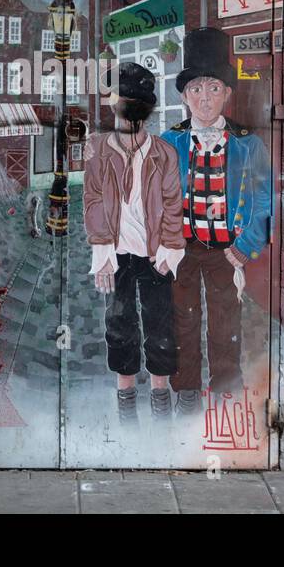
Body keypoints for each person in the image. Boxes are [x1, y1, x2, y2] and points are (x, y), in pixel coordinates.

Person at [160, 27, 272, 418]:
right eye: (196, 90)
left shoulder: (248, 144)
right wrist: (164, 244)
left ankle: (225, 394)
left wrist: (244, 248)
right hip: (183, 250)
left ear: (227, 93)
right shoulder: (170, 142)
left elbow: (263, 201)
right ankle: (186, 393)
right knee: (183, 323)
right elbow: (155, 198)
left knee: (226, 326)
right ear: (184, 95)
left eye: (213, 89)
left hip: (228, 251)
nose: (204, 99)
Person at [83, 62, 186, 422]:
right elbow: (93, 200)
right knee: (119, 323)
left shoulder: (163, 153)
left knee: (160, 324)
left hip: (155, 253)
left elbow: (173, 204)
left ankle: (160, 402)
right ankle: (126, 402)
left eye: (138, 105)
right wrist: (103, 253)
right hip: (117, 254)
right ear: (113, 105)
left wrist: (170, 250)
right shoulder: (98, 150)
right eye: (123, 102)